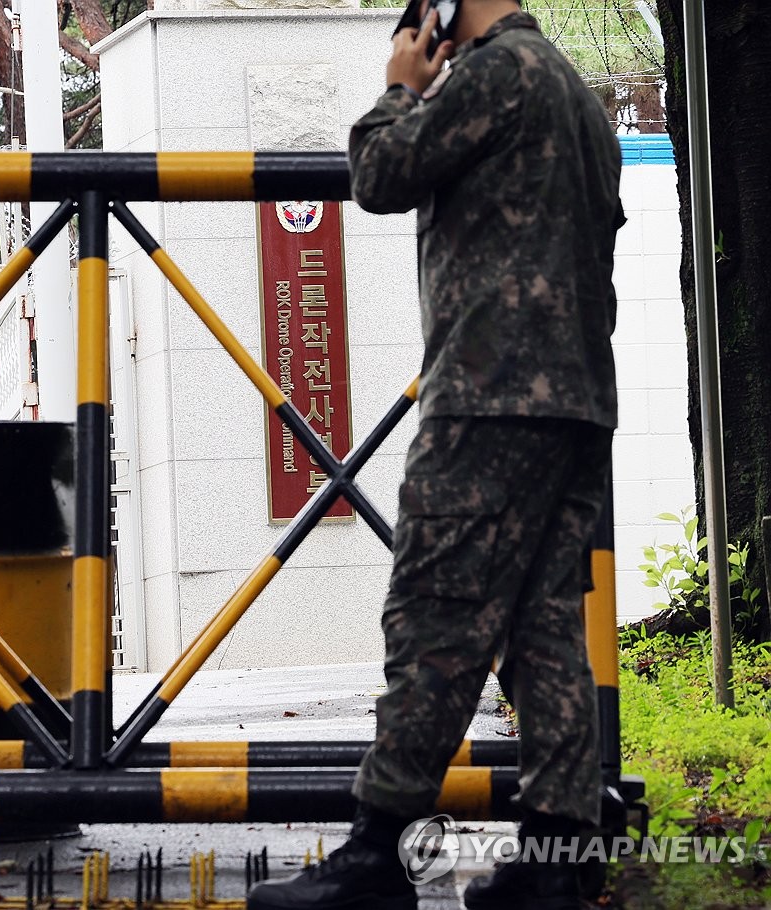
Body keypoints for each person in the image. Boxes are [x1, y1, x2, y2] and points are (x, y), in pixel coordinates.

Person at [246, 2, 625, 909]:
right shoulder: (576, 94)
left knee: (433, 616)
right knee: (542, 630)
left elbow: (380, 172)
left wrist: (399, 87)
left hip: (490, 399)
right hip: (575, 404)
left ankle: (379, 854)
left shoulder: (496, 75)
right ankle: (558, 861)